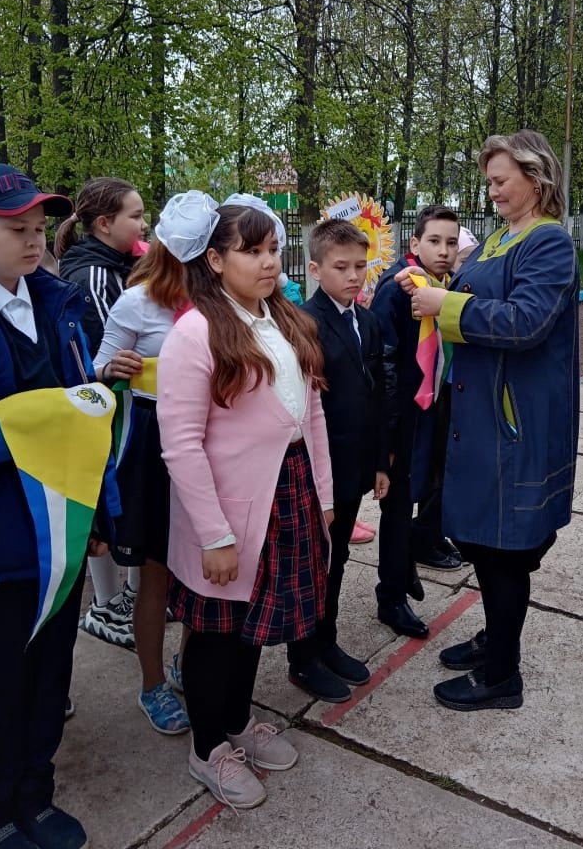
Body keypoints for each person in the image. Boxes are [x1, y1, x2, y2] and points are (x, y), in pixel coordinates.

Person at [156, 203, 333, 810]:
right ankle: (208, 748)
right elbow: (181, 444)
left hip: (288, 487)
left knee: (254, 626)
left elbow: (311, 414)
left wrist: (324, 495)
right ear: (215, 260)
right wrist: (214, 535)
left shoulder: (283, 320)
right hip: (228, 508)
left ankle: (236, 721)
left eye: (273, 250)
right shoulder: (195, 333)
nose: (268, 262)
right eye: (251, 251)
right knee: (216, 631)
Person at [398, 129, 579, 710]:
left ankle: (502, 675)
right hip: (479, 415)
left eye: (501, 181)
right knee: (482, 540)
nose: (493, 191)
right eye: (490, 182)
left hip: (512, 422)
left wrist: (446, 304)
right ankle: (496, 637)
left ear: (536, 178)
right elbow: (473, 297)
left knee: (504, 551)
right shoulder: (502, 238)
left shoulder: (548, 243)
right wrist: (429, 288)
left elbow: (525, 322)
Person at [0, 165, 120, 849]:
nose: (32, 241)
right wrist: (40, 424)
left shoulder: (55, 303)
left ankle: (36, 794)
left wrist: (99, 513)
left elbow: (87, 422)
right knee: (4, 682)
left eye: (39, 228)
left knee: (51, 673)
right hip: (6, 545)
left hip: (60, 532)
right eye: (15, 228)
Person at [92, 194, 219, 737]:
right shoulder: (137, 302)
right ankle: (152, 684)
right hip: (154, 445)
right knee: (158, 577)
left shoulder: (219, 299)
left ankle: (188, 665)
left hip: (212, 440)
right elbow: (98, 367)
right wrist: (111, 370)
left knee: (204, 572)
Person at [286, 219, 391, 702]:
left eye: (360, 266)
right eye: (341, 267)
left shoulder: (365, 320)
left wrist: (380, 462)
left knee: (338, 557)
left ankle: (325, 641)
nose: (353, 276)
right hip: (317, 468)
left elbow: (376, 394)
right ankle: (303, 657)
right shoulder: (304, 323)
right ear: (315, 270)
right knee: (313, 562)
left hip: (353, 465)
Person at [56, 176, 148, 649]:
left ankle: (123, 599)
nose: (144, 224)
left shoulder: (117, 265)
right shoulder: (93, 276)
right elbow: (108, 347)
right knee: (104, 498)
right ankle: (107, 605)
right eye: (136, 215)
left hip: (115, 404)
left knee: (118, 498)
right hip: (101, 409)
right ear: (105, 224)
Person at [370, 205, 461, 639]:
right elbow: (384, 364)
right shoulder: (399, 288)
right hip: (402, 419)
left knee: (414, 495)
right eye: (434, 241)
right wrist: (387, 439)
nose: (444, 251)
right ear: (414, 244)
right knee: (397, 506)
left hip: (426, 412)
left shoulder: (438, 286)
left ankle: (403, 570)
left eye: (451, 242)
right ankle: (390, 597)